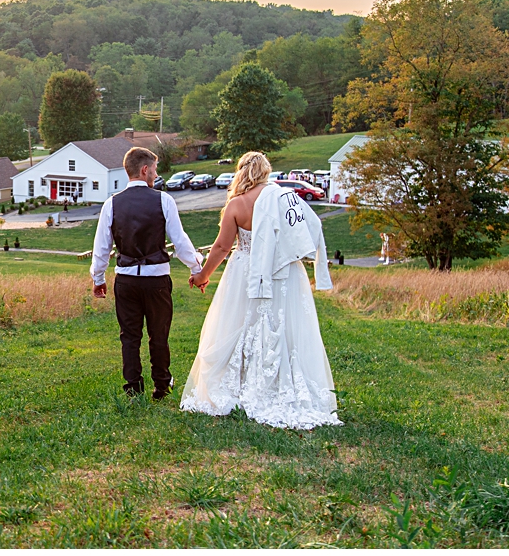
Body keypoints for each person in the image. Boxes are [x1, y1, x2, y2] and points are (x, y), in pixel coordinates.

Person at [182, 151, 340, 429]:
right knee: (283, 327)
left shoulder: (237, 205)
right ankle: (279, 383)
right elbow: (310, 226)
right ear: (266, 172)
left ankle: (240, 383)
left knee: (239, 324)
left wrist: (203, 275)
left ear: (241, 172)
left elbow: (221, 247)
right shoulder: (285, 199)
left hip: (246, 271)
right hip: (283, 273)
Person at [90, 146, 204, 399]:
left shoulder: (112, 204)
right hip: (157, 282)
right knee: (158, 333)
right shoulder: (164, 200)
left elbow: (101, 249)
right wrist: (197, 268)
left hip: (126, 281)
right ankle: (162, 385)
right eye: (153, 169)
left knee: (129, 336)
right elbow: (181, 242)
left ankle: (133, 387)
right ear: (144, 170)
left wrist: (98, 279)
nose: (155, 174)